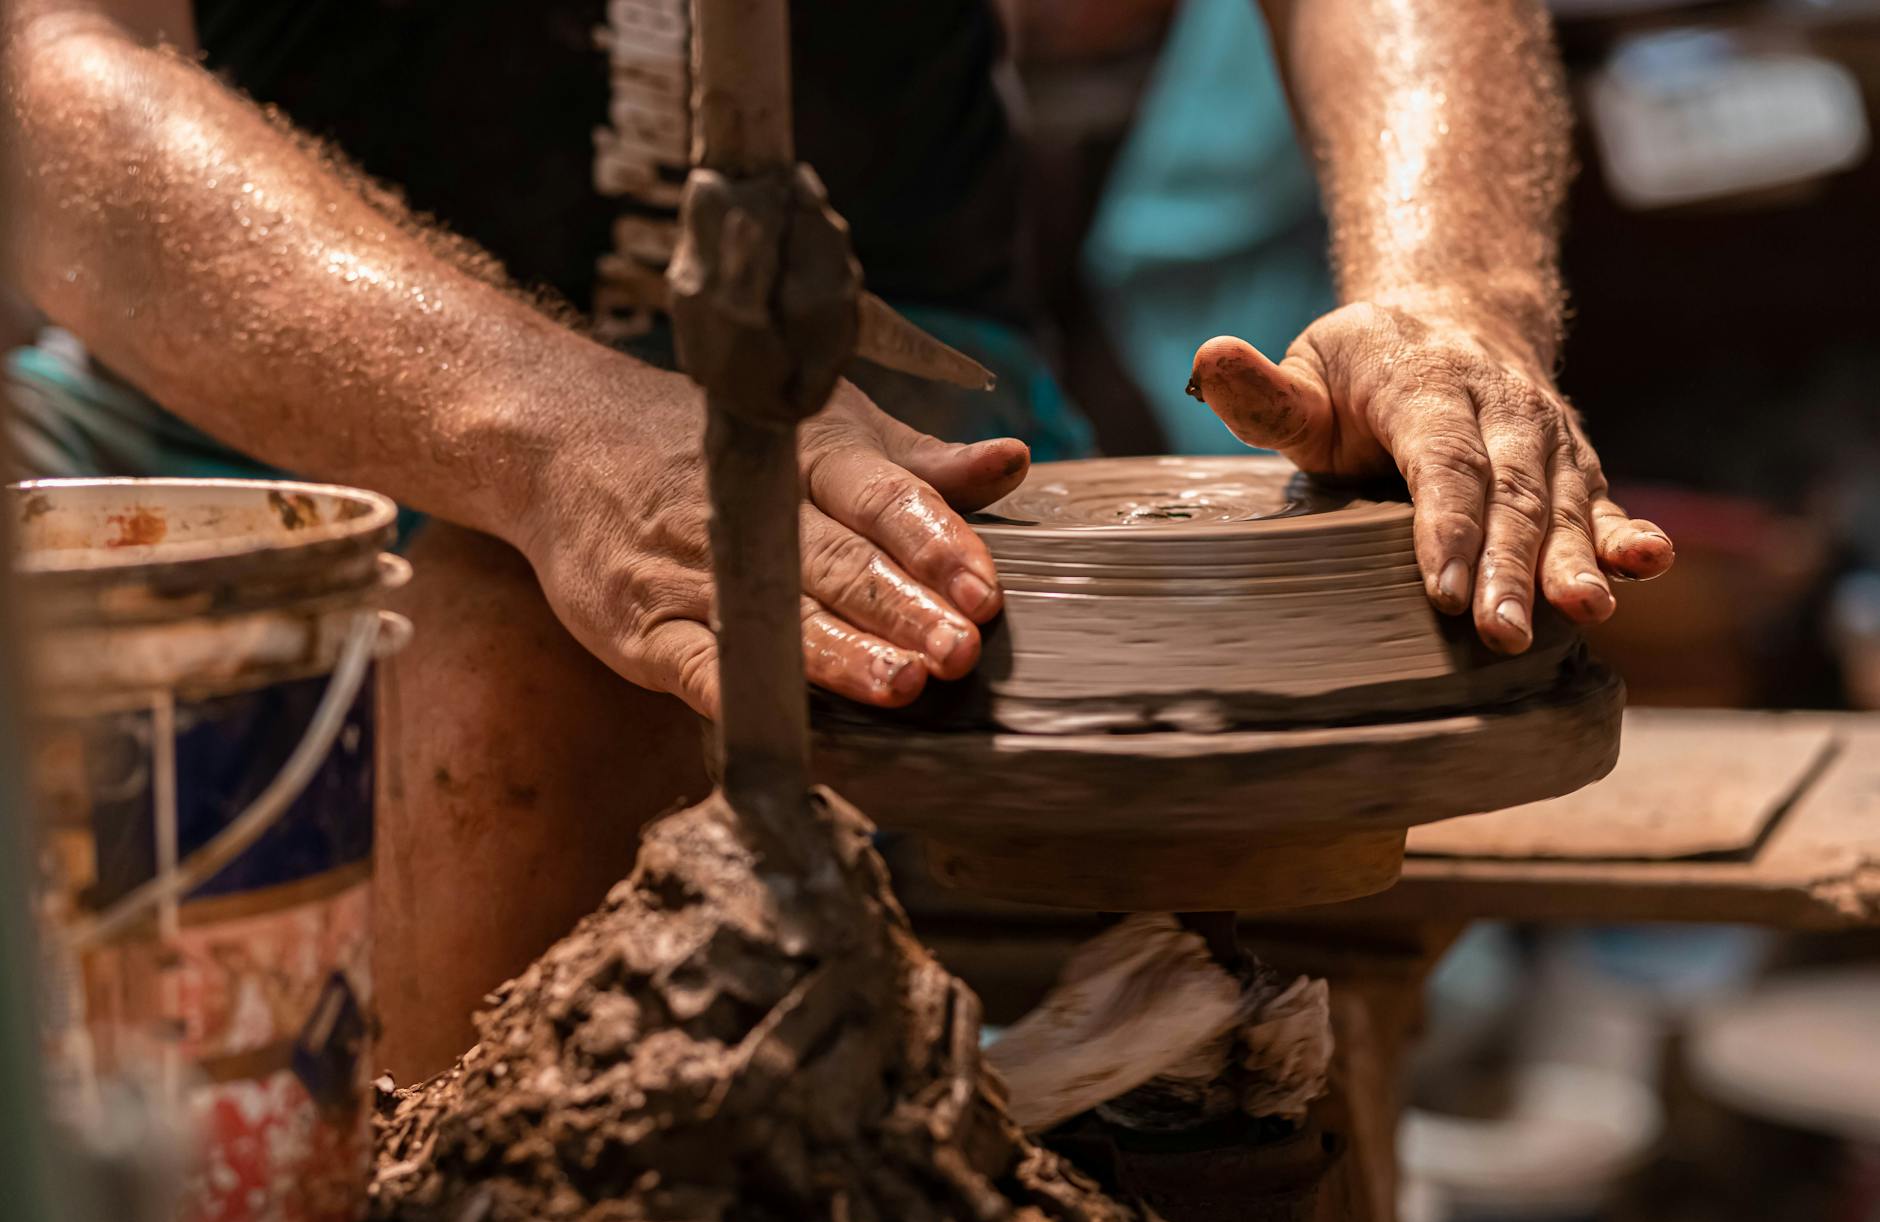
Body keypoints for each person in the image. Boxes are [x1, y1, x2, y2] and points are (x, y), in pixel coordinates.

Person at [3, 0, 1673, 1078]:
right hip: (256, 358)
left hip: (895, 378)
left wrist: (1453, 286)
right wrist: (549, 431)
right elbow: (46, 75)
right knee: (504, 701)